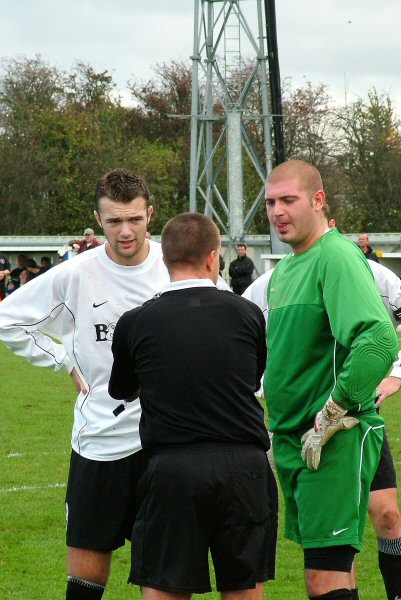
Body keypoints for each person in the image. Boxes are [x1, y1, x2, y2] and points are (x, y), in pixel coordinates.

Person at [0, 168, 171, 600]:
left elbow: (223, 323)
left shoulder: (177, 264)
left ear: (150, 214)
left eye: (134, 219)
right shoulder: (76, 274)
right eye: (114, 221)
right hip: (100, 438)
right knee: (86, 574)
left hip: (168, 442)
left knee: (164, 576)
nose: (126, 231)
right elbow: (8, 319)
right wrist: (62, 359)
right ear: (99, 221)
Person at [109, 212, 278, 600]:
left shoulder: (135, 321)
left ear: (165, 259)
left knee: (165, 589)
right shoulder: (247, 313)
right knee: (244, 590)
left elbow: (124, 390)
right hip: (244, 467)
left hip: (172, 468)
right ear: (213, 258)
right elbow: (251, 380)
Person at [244, 204, 401, 600]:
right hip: (307, 428)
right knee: (335, 564)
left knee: (387, 516)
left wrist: (396, 372)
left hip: (349, 418)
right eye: (272, 204)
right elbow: (250, 332)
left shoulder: (355, 265)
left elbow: (380, 335)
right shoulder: (277, 278)